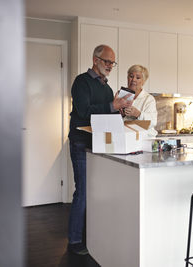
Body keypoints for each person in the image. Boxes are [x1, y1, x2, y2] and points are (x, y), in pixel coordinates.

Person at [67, 44, 132, 255]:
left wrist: (119, 111)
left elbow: (106, 116)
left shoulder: (106, 88)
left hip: (99, 143)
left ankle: (91, 234)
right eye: (107, 61)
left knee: (97, 192)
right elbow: (83, 111)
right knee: (83, 192)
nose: (110, 66)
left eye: (113, 62)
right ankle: (75, 239)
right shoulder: (81, 82)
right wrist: (112, 106)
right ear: (95, 59)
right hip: (80, 142)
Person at [122, 64, 158, 136]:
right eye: (131, 76)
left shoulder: (149, 99)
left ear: (143, 81)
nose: (133, 80)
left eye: (138, 78)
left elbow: (153, 122)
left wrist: (138, 114)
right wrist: (121, 114)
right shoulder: (121, 96)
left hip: (145, 139)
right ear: (127, 78)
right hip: (127, 137)